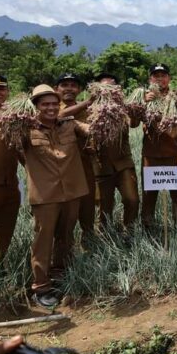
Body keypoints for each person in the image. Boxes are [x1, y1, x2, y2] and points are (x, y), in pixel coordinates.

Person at [23, 84, 90, 308]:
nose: (51, 108)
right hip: (45, 194)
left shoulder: (70, 125)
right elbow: (15, 150)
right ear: (36, 107)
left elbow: (91, 132)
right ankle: (40, 286)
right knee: (43, 238)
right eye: (45, 104)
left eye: (54, 103)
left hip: (72, 190)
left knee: (66, 235)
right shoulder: (25, 128)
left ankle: (60, 274)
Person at [93, 72, 141, 233]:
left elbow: (134, 123)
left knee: (132, 199)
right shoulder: (90, 110)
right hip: (101, 166)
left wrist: (136, 109)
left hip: (123, 163)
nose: (108, 90)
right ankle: (103, 236)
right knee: (104, 207)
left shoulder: (123, 108)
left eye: (111, 86)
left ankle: (130, 230)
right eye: (103, 87)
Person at [141, 63, 177, 229]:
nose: (160, 79)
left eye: (163, 75)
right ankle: (148, 230)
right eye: (156, 75)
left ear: (169, 78)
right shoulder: (143, 97)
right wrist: (143, 103)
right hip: (151, 156)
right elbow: (132, 123)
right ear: (150, 79)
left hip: (173, 155)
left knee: (176, 196)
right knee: (149, 195)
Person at [56, 72, 96, 246]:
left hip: (86, 165)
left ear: (79, 89)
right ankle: (65, 253)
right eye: (65, 85)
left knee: (87, 209)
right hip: (63, 170)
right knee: (67, 215)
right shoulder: (52, 107)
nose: (69, 89)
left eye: (73, 85)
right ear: (57, 89)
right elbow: (61, 116)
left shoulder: (90, 110)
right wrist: (88, 102)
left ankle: (89, 246)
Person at [0, 75, 20, 263]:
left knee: (4, 233)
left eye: (1, 89)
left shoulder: (15, 117)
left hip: (11, 186)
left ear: (7, 92)